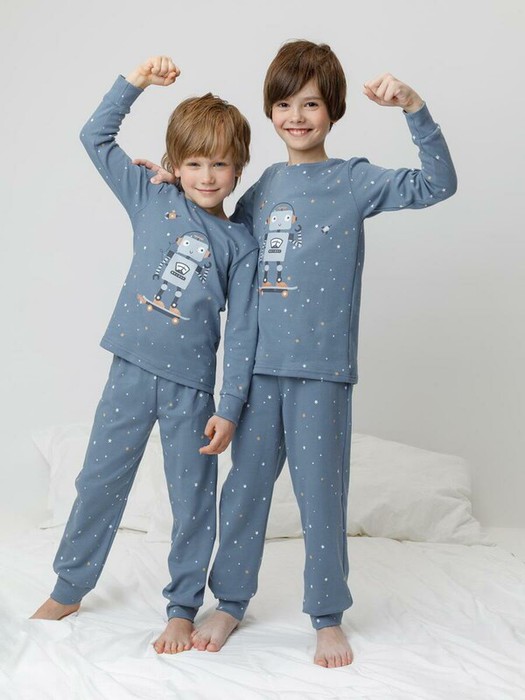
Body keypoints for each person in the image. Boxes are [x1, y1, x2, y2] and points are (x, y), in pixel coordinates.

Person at [138, 39, 457, 668]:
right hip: (257, 373)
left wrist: (414, 107)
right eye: (284, 104)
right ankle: (230, 601)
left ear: (333, 108)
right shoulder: (262, 189)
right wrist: (176, 187)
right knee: (245, 492)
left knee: (320, 496)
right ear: (270, 111)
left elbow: (438, 184)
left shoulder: (355, 179)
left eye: (310, 103)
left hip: (322, 373)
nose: (297, 116)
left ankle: (327, 615)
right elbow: (220, 239)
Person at [30, 55, 259, 656]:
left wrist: (230, 405)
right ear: (175, 164)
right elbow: (94, 136)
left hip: (192, 390)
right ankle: (69, 587)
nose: (206, 176)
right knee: (98, 481)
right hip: (129, 371)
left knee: (192, 500)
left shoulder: (240, 245)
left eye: (220, 164)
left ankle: (181, 609)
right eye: (194, 163)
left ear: (238, 168)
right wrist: (135, 83)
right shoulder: (151, 197)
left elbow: (243, 333)